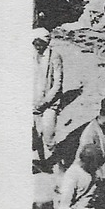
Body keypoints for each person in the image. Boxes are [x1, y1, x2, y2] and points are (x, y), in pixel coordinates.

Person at [32, 28, 63, 168]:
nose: (37, 47)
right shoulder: (31, 55)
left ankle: (59, 164)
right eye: (35, 44)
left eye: (40, 44)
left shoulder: (54, 56)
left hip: (49, 104)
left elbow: (57, 83)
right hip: (34, 103)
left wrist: (45, 102)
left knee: (48, 136)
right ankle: (41, 162)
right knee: (35, 134)